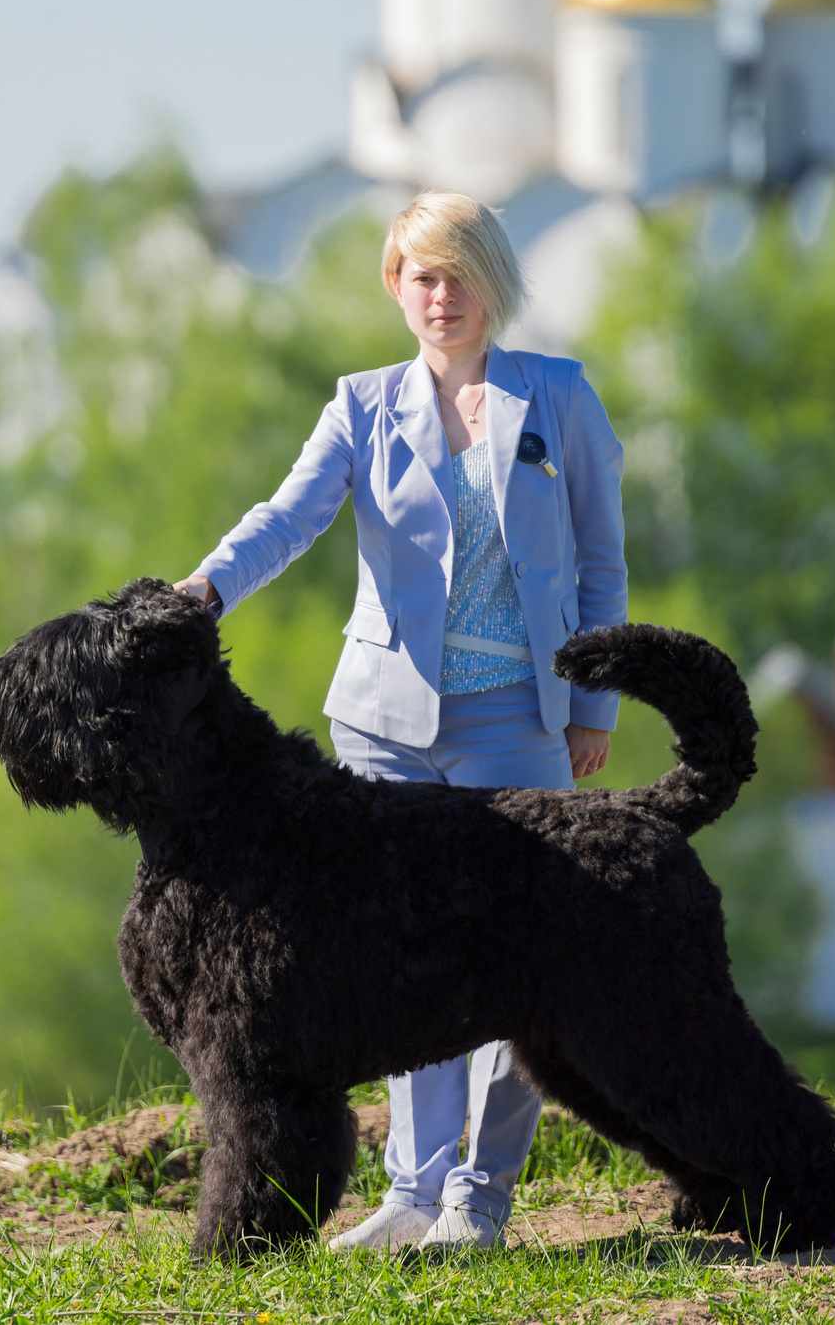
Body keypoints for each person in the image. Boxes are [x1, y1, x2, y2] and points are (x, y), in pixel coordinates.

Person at [175, 188, 627, 1253]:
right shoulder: (361, 405)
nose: (441, 296)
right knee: (402, 964)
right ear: (396, 286)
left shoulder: (558, 398)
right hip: (383, 728)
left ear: (494, 282)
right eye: (421, 277)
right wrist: (201, 593)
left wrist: (594, 699)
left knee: (519, 962)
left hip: (519, 718)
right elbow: (287, 517)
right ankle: (412, 1191)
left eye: (459, 274)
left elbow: (602, 558)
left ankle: (480, 1198)